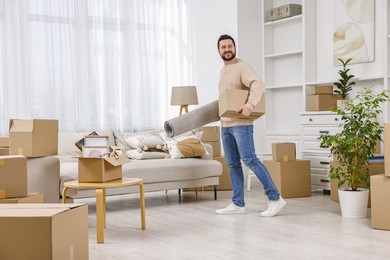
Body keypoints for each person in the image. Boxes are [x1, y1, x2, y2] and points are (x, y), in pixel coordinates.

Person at [215, 34, 286, 217]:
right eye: (223, 47)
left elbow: (258, 84)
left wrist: (249, 105)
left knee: (250, 160)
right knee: (233, 164)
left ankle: (276, 198)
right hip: (226, 125)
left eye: (230, 46)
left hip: (241, 124)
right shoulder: (223, 70)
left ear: (235, 47)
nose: (227, 49)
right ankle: (238, 203)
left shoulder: (242, 66)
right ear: (219, 51)